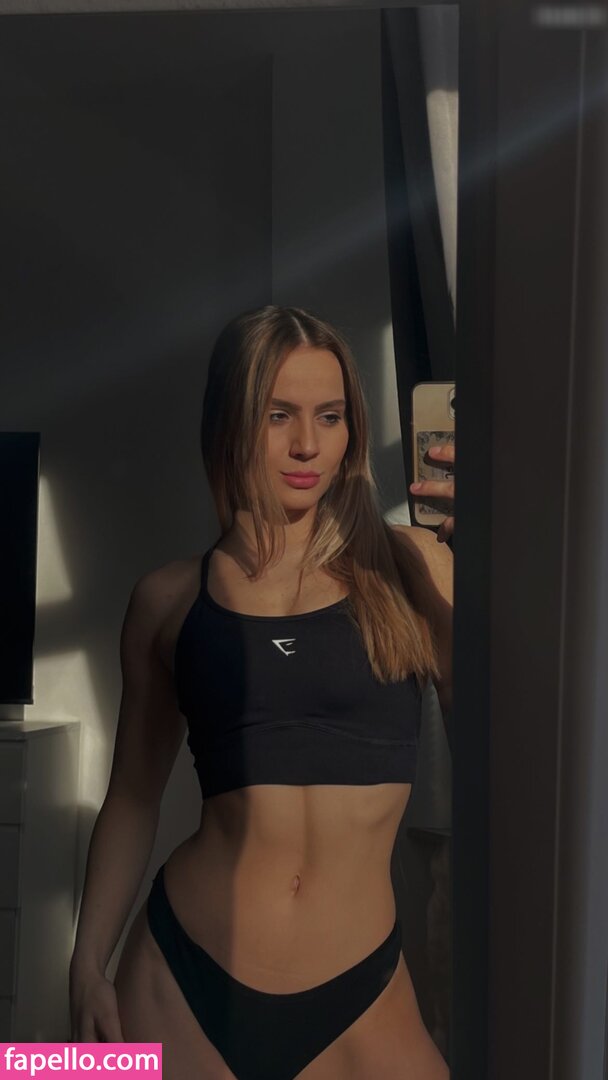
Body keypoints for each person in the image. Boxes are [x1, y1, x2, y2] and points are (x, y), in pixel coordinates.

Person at [69, 305, 454, 1080]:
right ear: (230, 422)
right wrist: (86, 963)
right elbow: (134, 797)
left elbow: (501, 749)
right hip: (181, 977)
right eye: (279, 415)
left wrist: (488, 555)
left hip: (360, 988)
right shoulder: (168, 601)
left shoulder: (411, 567)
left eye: (330, 416)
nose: (307, 444)